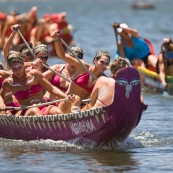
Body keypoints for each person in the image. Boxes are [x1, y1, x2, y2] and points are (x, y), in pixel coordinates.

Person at [0, 51, 80, 116]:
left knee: (58, 112)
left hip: (43, 106)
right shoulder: (8, 82)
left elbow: (51, 88)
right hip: (27, 111)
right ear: (10, 68)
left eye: (20, 67)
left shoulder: (35, 74)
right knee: (35, 110)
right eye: (14, 69)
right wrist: (1, 104)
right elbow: (1, 95)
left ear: (23, 65)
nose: (18, 71)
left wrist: (66, 97)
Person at [51, 30, 111, 101]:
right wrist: (56, 40)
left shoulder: (103, 79)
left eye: (107, 64)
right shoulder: (83, 67)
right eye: (102, 62)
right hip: (67, 103)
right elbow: (62, 55)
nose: (104, 65)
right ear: (95, 61)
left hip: (82, 107)